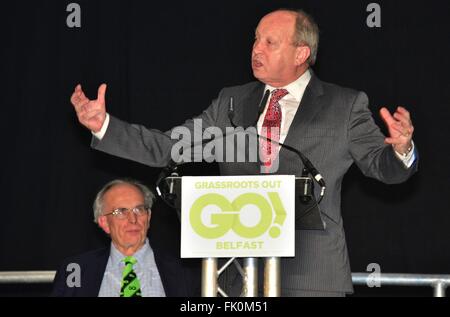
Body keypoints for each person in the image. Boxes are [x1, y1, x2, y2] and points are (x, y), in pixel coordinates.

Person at [69, 9, 418, 296]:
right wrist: (105, 126)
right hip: (233, 275)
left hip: (311, 276)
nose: (256, 49)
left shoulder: (344, 105)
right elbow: (168, 147)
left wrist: (402, 150)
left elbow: (382, 166)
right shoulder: (230, 102)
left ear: (301, 53)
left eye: (270, 42)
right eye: (255, 39)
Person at [52, 179, 196, 297]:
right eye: (121, 212)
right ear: (104, 223)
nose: (133, 219)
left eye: (139, 209)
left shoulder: (184, 271)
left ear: (149, 217)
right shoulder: (76, 270)